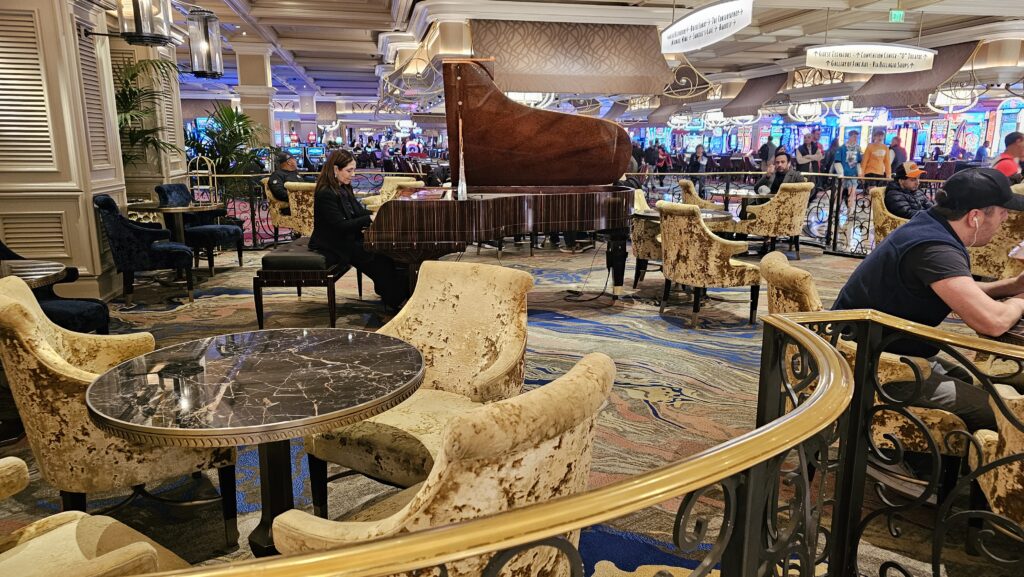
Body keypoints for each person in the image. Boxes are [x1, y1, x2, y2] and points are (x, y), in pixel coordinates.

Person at [834, 168, 1024, 431]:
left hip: (875, 345)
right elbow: (992, 321)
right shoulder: (935, 248)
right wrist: (1021, 299)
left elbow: (959, 290)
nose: (1004, 221)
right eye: (1002, 215)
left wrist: (1012, 286)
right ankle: (906, 459)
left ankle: (925, 460)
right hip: (870, 365)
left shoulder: (931, 225)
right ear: (975, 217)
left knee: (962, 376)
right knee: (994, 412)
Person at [308, 149, 410, 310]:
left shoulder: (343, 187)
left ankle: (390, 292)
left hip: (345, 236)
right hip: (332, 243)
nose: (353, 174)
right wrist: (369, 219)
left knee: (386, 253)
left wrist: (378, 214)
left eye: (354, 170)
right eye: (349, 170)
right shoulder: (325, 193)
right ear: (335, 169)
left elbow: (357, 212)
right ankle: (395, 299)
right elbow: (339, 227)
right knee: (378, 258)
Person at [835, 131, 863, 214]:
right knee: (839, 192)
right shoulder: (842, 148)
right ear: (849, 137)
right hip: (843, 175)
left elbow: (858, 163)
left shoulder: (857, 149)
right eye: (854, 136)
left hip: (853, 175)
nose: (855, 138)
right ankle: (836, 208)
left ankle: (850, 209)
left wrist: (860, 173)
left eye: (856, 137)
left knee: (852, 193)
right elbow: (837, 161)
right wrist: (841, 173)